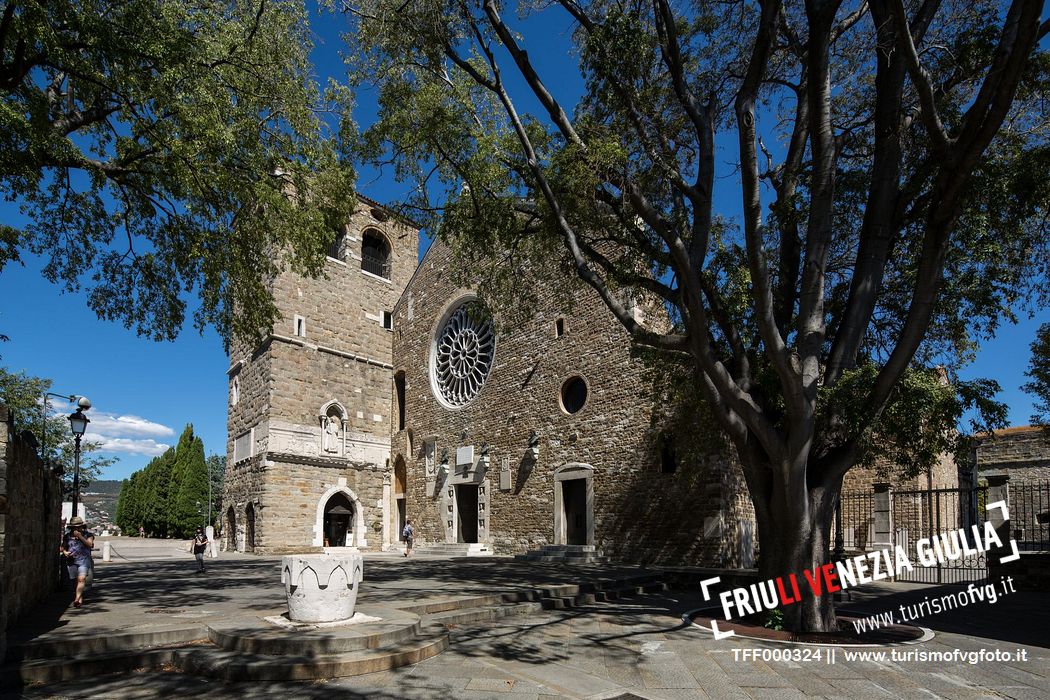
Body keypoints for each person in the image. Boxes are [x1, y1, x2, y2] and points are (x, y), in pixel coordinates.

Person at [60, 517, 95, 608]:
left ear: (82, 526)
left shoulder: (88, 535)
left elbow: (89, 545)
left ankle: (76, 599)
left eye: (78, 527)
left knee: (81, 579)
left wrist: (80, 536)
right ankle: (79, 598)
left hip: (84, 560)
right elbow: (62, 547)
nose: (76, 529)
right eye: (74, 527)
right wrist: (65, 552)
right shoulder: (67, 536)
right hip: (72, 561)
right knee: (75, 581)